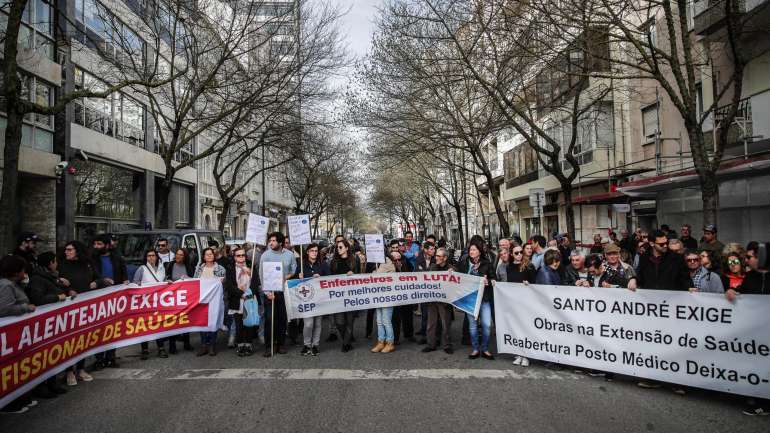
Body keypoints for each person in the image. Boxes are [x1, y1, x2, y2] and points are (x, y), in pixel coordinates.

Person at [58, 240, 101, 386]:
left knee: (84, 338)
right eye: (66, 250)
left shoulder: (87, 264)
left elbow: (98, 278)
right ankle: (69, 371)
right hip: (69, 308)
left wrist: (96, 283)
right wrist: (67, 290)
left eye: (70, 250)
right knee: (70, 340)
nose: (67, 252)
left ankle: (81, 368)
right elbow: (55, 283)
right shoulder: (62, 264)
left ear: (77, 250)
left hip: (86, 306)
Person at [0, 255, 40, 414]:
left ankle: (21, 397)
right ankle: (10, 403)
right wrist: (26, 308)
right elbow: (4, 309)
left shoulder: (13, 284)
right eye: (23, 270)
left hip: (19, 333)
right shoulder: (5, 286)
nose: (25, 273)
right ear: (15, 271)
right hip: (10, 334)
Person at [91, 234, 128, 369]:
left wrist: (125, 281)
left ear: (107, 245)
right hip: (98, 298)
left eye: (99, 244)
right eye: (95, 244)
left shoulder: (117, 258)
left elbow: (123, 273)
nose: (96, 247)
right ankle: (99, 359)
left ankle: (111, 357)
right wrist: (101, 280)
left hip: (115, 299)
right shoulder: (92, 259)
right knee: (99, 330)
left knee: (113, 329)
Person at [259, 232, 297, 357]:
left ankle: (281, 344)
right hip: (270, 293)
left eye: (274, 240)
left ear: (280, 243)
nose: (271, 243)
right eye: (270, 240)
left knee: (282, 319)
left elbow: (293, 269)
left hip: (284, 292)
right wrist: (267, 293)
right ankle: (269, 346)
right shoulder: (265, 255)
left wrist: (288, 276)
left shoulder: (289, 255)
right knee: (270, 320)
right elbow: (261, 275)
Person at [458, 238, 495, 360]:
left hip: (484, 299)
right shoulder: (464, 263)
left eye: (474, 249)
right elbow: (458, 278)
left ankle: (484, 348)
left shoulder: (487, 263)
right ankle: (475, 349)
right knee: (472, 326)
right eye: (470, 249)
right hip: (470, 300)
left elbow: (494, 279)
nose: (471, 251)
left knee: (487, 325)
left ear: (479, 251)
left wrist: (487, 281)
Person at [133, 249, 169, 359]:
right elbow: (135, 283)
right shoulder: (142, 269)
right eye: (149, 256)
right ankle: (144, 350)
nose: (151, 258)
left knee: (159, 325)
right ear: (146, 257)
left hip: (159, 302)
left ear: (156, 257)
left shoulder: (161, 269)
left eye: (153, 255)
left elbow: (164, 281)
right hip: (146, 303)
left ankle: (161, 348)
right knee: (144, 326)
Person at [329, 238, 361, 352]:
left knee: (349, 321)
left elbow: (360, 277)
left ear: (347, 248)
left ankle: (346, 343)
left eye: (341, 247)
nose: (338, 249)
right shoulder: (333, 262)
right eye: (337, 247)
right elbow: (329, 278)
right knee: (339, 322)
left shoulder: (354, 260)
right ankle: (346, 340)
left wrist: (354, 274)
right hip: (338, 295)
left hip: (351, 295)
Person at [194, 248, 227, 356]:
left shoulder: (220, 268)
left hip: (214, 300)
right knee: (202, 322)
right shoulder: (199, 269)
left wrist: (223, 281)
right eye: (207, 254)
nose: (209, 256)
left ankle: (212, 345)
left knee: (213, 322)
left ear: (214, 256)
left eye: (211, 254)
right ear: (203, 257)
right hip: (202, 300)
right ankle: (204, 345)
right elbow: (195, 282)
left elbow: (224, 284)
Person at [227, 247, 258, 356]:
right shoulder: (230, 268)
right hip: (237, 300)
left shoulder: (251, 267)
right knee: (239, 324)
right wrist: (241, 294)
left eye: (243, 255)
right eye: (238, 255)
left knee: (248, 324)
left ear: (246, 256)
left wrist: (248, 294)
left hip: (249, 299)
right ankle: (240, 345)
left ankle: (248, 345)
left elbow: (255, 282)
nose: (241, 257)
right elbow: (229, 285)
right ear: (234, 257)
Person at [299, 243, 329, 356]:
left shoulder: (323, 264)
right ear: (307, 252)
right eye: (312, 251)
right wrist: (299, 277)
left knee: (317, 323)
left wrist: (321, 278)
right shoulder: (301, 265)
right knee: (308, 324)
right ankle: (307, 344)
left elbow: (329, 278)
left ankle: (315, 345)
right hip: (306, 299)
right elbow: (294, 282)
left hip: (319, 298)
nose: (314, 253)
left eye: (316, 251)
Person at [424, 247, 454, 354]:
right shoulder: (432, 267)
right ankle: (431, 344)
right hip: (433, 300)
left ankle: (447, 345)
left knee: (446, 324)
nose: (436, 257)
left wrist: (452, 274)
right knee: (431, 323)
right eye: (436, 255)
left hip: (444, 301)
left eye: (438, 256)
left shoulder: (451, 268)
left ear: (445, 258)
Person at [164, 248, 194, 353]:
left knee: (185, 319)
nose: (178, 256)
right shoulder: (170, 265)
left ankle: (187, 343)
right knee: (173, 321)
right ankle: (172, 345)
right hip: (172, 298)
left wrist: (187, 278)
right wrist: (167, 280)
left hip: (185, 297)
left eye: (181, 255)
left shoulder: (189, 267)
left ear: (185, 256)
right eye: (177, 254)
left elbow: (194, 280)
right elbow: (165, 278)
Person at [371, 251, 401, 354]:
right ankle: (381, 342)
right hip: (379, 295)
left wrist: (374, 272)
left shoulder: (387, 261)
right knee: (379, 320)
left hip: (387, 296)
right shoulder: (378, 261)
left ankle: (390, 343)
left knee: (386, 321)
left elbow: (376, 276)